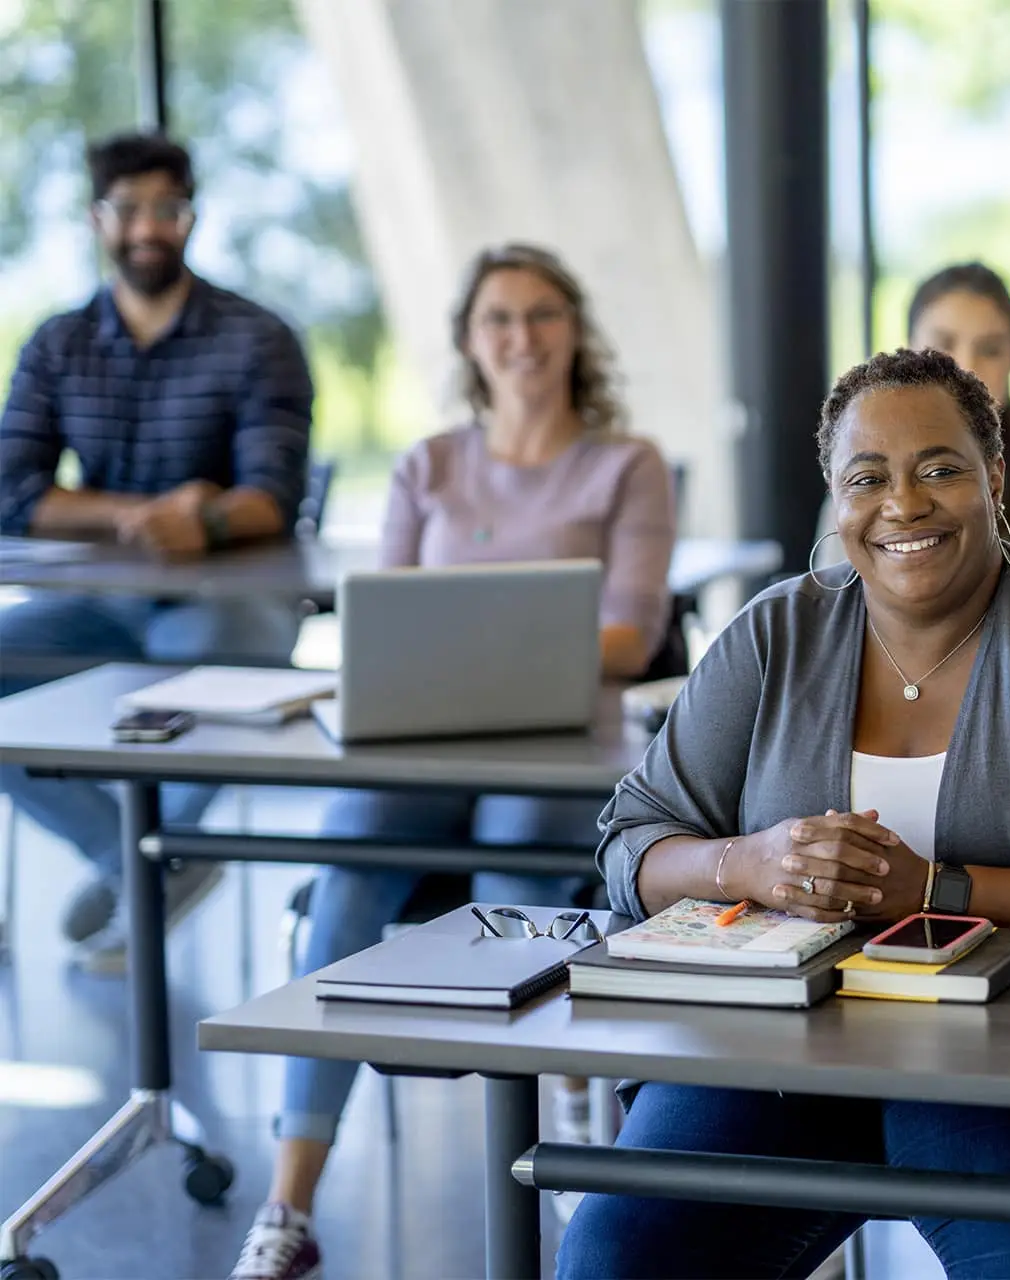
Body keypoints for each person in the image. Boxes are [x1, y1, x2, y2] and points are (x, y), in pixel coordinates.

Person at [557, 347, 1010, 1280]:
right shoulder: (778, 631)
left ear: (995, 478)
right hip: (775, 1056)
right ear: (835, 496)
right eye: (869, 478)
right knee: (612, 1251)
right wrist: (751, 862)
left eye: (940, 468)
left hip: (991, 1068)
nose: (904, 504)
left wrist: (932, 888)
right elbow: (630, 840)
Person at [230, 243, 676, 1280]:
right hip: (425, 745)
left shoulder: (627, 463)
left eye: (542, 315)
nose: (522, 338)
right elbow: (385, 626)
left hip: (564, 748)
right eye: (499, 319)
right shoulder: (428, 463)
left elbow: (636, 634)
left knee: (513, 872)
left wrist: (500, 648)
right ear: (471, 341)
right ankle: (288, 1203)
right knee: (344, 873)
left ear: (575, 329)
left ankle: (556, 1170)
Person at [0, 131, 314, 969]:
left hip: (225, 605)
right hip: (96, 605)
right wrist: (140, 513)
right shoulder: (57, 343)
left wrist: (205, 523)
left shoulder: (257, 337)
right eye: (128, 209)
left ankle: (144, 860)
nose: (148, 227)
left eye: (166, 209)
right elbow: (12, 491)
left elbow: (272, 496)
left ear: (192, 217)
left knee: (234, 656)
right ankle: (148, 861)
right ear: (97, 218)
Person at [823, 262, 1010, 583]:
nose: (966, 368)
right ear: (907, 350)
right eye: (944, 345)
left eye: (990, 350)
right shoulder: (857, 474)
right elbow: (833, 608)